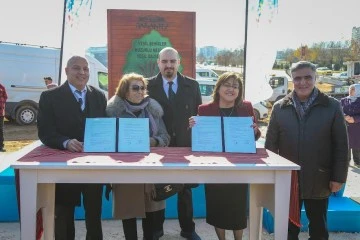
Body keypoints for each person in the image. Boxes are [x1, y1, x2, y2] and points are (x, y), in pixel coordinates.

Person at [265, 61, 349, 240]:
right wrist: (270, 177)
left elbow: (341, 145)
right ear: (292, 80)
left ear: (315, 78)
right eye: (297, 78)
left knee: (318, 227)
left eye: (307, 77)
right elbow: (270, 146)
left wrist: (338, 177)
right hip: (288, 179)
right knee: (288, 229)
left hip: (319, 177)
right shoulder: (280, 108)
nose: (302, 82)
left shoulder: (332, 106)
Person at [37, 56, 106, 240]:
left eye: (85, 69)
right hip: (64, 167)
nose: (82, 73)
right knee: (64, 214)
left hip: (94, 167)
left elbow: (104, 128)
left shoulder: (99, 96)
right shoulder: (49, 97)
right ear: (66, 71)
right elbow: (45, 132)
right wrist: (66, 142)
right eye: (77, 68)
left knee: (94, 212)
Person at [188, 72, 261, 240]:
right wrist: (194, 126)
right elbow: (200, 138)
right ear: (219, 87)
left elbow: (253, 136)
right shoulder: (204, 109)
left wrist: (255, 131)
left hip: (239, 165)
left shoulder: (246, 107)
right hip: (215, 165)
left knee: (238, 206)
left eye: (235, 86)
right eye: (227, 85)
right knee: (217, 205)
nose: (231, 89)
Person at [106, 73, 170, 240]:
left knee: (151, 215)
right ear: (125, 91)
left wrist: (154, 141)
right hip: (125, 170)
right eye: (135, 88)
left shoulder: (153, 110)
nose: (140, 91)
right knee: (128, 213)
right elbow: (107, 139)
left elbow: (165, 137)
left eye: (142, 88)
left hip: (150, 170)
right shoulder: (113, 112)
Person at [147, 47, 202, 240]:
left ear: (179, 62)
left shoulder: (192, 85)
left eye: (172, 61)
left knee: (185, 190)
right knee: (157, 190)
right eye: (164, 61)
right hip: (159, 146)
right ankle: (156, 230)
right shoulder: (147, 86)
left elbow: (198, 114)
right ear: (158, 63)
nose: (168, 65)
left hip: (185, 145)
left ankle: (188, 229)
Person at [341, 83, 360, 168]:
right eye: (350, 89)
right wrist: (344, 116)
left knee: (357, 146)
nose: (350, 91)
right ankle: (346, 162)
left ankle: (357, 162)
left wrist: (355, 119)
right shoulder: (344, 100)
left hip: (357, 127)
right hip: (345, 126)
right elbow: (339, 109)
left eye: (353, 89)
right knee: (346, 145)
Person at [0, 83, 7, 152]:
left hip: (1, 113)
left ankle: (1, 147)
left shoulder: (2, 87)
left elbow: (5, 97)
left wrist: (1, 102)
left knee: (0, 130)